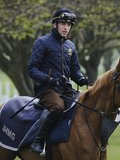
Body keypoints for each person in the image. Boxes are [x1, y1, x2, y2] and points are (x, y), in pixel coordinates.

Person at [27, 8, 89, 154]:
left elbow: (75, 70)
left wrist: (81, 79)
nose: (66, 27)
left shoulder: (71, 46)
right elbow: (31, 69)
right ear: (55, 24)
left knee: (82, 105)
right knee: (58, 107)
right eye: (63, 23)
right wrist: (49, 80)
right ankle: (39, 140)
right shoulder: (42, 42)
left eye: (69, 25)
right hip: (46, 89)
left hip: (65, 90)